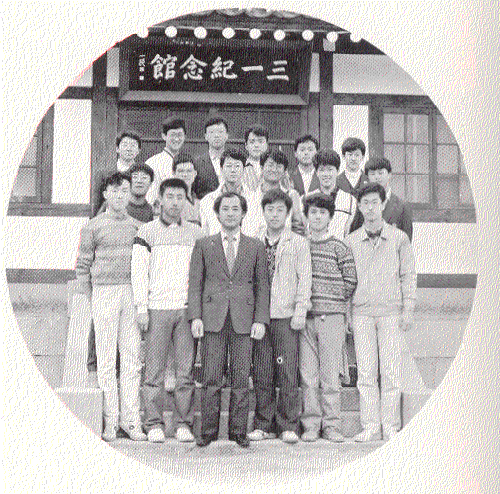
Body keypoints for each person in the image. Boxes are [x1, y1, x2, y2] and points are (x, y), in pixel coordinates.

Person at [188, 192, 270, 448]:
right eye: (225, 209)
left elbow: (262, 287)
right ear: (217, 213)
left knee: (241, 378)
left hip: (244, 320)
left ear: (244, 213)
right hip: (212, 319)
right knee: (211, 378)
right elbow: (195, 284)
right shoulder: (204, 244)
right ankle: (208, 431)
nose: (231, 213)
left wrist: (260, 320)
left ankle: (238, 431)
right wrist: (196, 316)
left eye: (236, 209)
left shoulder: (255, 246)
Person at [132, 178, 203, 444]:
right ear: (160, 200)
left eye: (179, 197)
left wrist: (197, 312)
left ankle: (184, 423)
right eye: (170, 196)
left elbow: (201, 274)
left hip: (185, 309)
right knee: (154, 371)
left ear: (186, 200)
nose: (174, 202)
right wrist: (142, 307)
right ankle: (153, 423)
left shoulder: (196, 233)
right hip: (156, 309)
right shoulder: (146, 232)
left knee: (185, 372)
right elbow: (139, 272)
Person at [75, 172, 146, 442]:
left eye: (124, 190)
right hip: (103, 292)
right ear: (106, 194)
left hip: (131, 292)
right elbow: (83, 265)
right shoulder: (92, 227)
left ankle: (131, 421)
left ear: (129, 194)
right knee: (106, 360)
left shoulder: (138, 227)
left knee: (131, 359)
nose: (119, 196)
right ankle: (110, 421)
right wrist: (89, 295)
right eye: (114, 191)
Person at [344, 183, 417, 442]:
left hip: (390, 313)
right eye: (365, 203)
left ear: (383, 204)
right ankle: (371, 426)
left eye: (375, 202)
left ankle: (390, 426)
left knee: (390, 372)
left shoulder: (399, 239)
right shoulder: (351, 241)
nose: (370, 208)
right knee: (366, 372)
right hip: (362, 314)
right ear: (359, 207)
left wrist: (408, 309)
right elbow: (347, 281)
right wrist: (347, 313)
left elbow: (408, 275)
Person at [249, 189, 312, 444]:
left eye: (280, 210)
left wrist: (300, 310)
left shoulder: (298, 242)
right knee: (262, 371)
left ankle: (288, 425)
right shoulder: (253, 241)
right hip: (260, 317)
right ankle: (263, 424)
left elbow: (304, 279)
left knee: (286, 371)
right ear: (263, 212)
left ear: (287, 214)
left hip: (286, 316)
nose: (274, 215)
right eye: (270, 210)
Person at [300, 193, 357, 442]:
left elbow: (350, 280)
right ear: (306, 216)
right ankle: (311, 425)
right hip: (306, 319)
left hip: (332, 318)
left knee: (330, 376)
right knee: (308, 376)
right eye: (313, 212)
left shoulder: (340, 247)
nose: (317, 217)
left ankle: (332, 425)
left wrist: (332, 300)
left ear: (330, 217)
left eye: (322, 213)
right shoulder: (300, 245)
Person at [349, 157, 413, 241]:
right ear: (367, 177)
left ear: (389, 174)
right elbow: (354, 235)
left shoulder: (402, 206)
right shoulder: (362, 203)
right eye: (372, 174)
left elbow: (406, 240)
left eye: (380, 173)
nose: (377, 177)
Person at [199, 149, 260, 237]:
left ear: (244, 170)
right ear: (221, 169)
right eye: (229, 166)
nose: (233, 170)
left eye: (237, 166)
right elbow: (205, 235)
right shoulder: (207, 201)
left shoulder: (255, 200)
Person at [252, 150, 306, 235]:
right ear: (261, 168)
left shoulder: (291, 195)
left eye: (279, 166)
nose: (274, 170)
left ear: (285, 171)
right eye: (270, 165)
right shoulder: (250, 194)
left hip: (284, 242)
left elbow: (299, 227)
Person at [308, 149, 357, 240]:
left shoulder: (350, 200)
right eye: (322, 170)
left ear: (338, 171)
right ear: (316, 172)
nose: (326, 174)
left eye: (330, 169)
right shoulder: (307, 199)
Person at [145, 117, 186, 210]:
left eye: (180, 135)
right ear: (164, 136)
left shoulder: (187, 163)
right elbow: (149, 198)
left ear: (184, 137)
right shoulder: (153, 162)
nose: (176, 139)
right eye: (173, 135)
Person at [192, 117, 229, 199]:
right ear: (206, 136)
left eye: (220, 132)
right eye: (212, 132)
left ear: (227, 135)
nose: (216, 136)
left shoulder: (235, 161)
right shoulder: (197, 163)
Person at [173, 153, 201, 226]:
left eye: (189, 171)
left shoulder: (200, 203)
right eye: (181, 171)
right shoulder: (168, 201)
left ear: (195, 173)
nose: (185, 175)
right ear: (174, 174)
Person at [243, 126, 269, 191]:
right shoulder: (240, 167)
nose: (256, 145)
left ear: (266, 145)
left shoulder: (275, 168)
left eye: (260, 141)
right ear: (246, 146)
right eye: (252, 142)